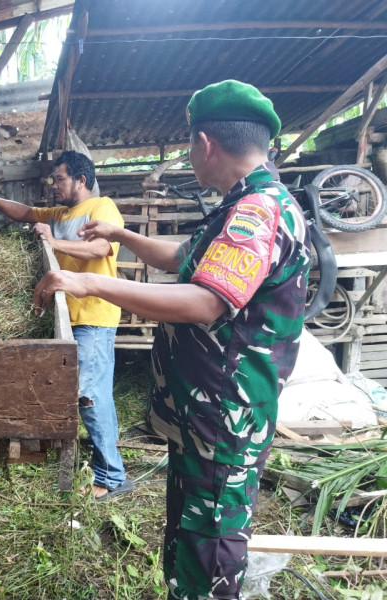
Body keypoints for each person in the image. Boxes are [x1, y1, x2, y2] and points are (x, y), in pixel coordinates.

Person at [34, 81, 310, 599]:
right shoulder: (242, 203)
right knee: (188, 542)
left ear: (205, 143)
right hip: (204, 416)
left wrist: (90, 280)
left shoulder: (257, 213)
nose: (190, 156)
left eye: (189, 146)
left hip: (225, 417)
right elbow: (186, 254)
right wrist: (121, 237)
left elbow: (206, 300)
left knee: (210, 552)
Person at [0, 150, 133, 501]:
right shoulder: (60, 213)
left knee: (90, 396)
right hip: (72, 317)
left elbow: (102, 247)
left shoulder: (101, 208)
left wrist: (52, 242)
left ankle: (113, 477)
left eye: (59, 178)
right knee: (88, 393)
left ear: (81, 180)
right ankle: (105, 466)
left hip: (94, 315)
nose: (54, 185)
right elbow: (26, 213)